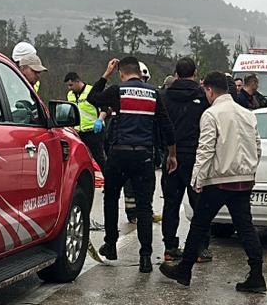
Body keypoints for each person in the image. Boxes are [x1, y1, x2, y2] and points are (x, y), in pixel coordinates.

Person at [160, 71, 266, 293]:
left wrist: (197, 177)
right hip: (243, 179)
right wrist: (251, 172)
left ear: (209, 90)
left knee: (199, 224)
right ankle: (256, 274)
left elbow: (206, 148)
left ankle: (184, 270)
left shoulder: (211, 114)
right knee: (246, 227)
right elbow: (257, 147)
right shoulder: (247, 114)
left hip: (218, 179)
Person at [90, 56, 176, 272]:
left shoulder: (117, 90)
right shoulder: (153, 93)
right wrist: (171, 154)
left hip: (119, 154)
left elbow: (93, 98)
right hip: (144, 156)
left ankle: (110, 244)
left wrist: (105, 74)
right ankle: (145, 257)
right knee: (145, 206)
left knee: (111, 198)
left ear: (121, 73)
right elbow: (167, 127)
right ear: (139, 71)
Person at [159, 57, 211, 264]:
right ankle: (199, 248)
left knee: (171, 203)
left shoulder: (163, 96)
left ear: (176, 74)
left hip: (171, 155)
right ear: (196, 73)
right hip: (196, 156)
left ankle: (170, 248)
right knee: (199, 203)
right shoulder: (203, 97)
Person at [64, 71, 105, 168]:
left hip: (94, 131)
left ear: (77, 81)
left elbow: (104, 108)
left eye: (71, 85)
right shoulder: (70, 95)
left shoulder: (92, 91)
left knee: (99, 158)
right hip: (79, 132)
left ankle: (107, 179)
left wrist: (100, 120)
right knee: (80, 158)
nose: (69, 88)